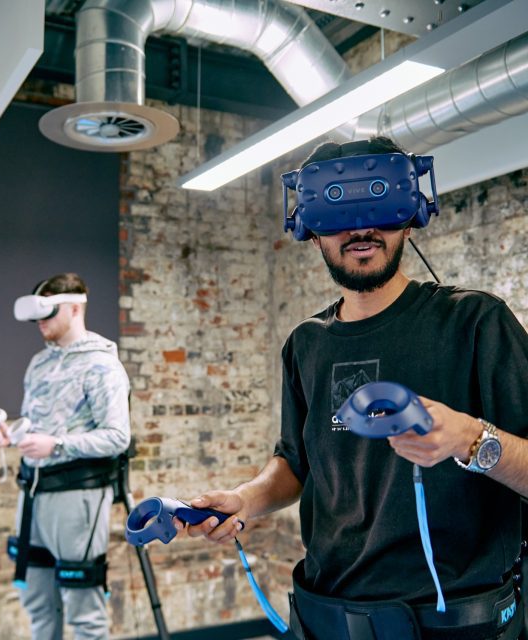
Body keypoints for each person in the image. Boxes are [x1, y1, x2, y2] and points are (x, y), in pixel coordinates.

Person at [179, 138, 528, 640]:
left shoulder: (475, 323)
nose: (362, 229)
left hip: (449, 625)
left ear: (410, 216)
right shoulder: (306, 344)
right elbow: (296, 463)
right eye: (340, 210)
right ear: (310, 229)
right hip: (325, 617)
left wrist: (470, 439)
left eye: (380, 207)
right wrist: (245, 499)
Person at [0, 272, 131, 640]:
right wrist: (11, 435)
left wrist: (57, 445)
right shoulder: (39, 364)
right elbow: (42, 423)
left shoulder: (102, 365)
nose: (41, 322)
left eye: (48, 312)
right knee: (37, 602)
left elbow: (117, 437)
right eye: (37, 315)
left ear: (76, 307)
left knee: (83, 610)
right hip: (33, 496)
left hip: (76, 498)